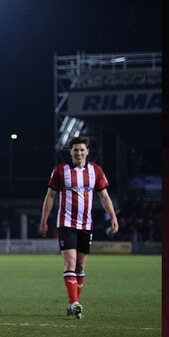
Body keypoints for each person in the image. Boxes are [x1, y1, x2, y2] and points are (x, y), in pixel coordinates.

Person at [39, 136, 119, 319]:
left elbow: (105, 197)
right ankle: (75, 303)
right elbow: (50, 196)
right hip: (66, 223)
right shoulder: (60, 170)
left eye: (82, 150)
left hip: (86, 224)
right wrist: (44, 220)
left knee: (81, 266)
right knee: (70, 262)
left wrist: (113, 217)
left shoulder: (95, 171)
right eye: (75, 150)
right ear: (70, 152)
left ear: (88, 151)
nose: (79, 153)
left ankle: (71, 303)